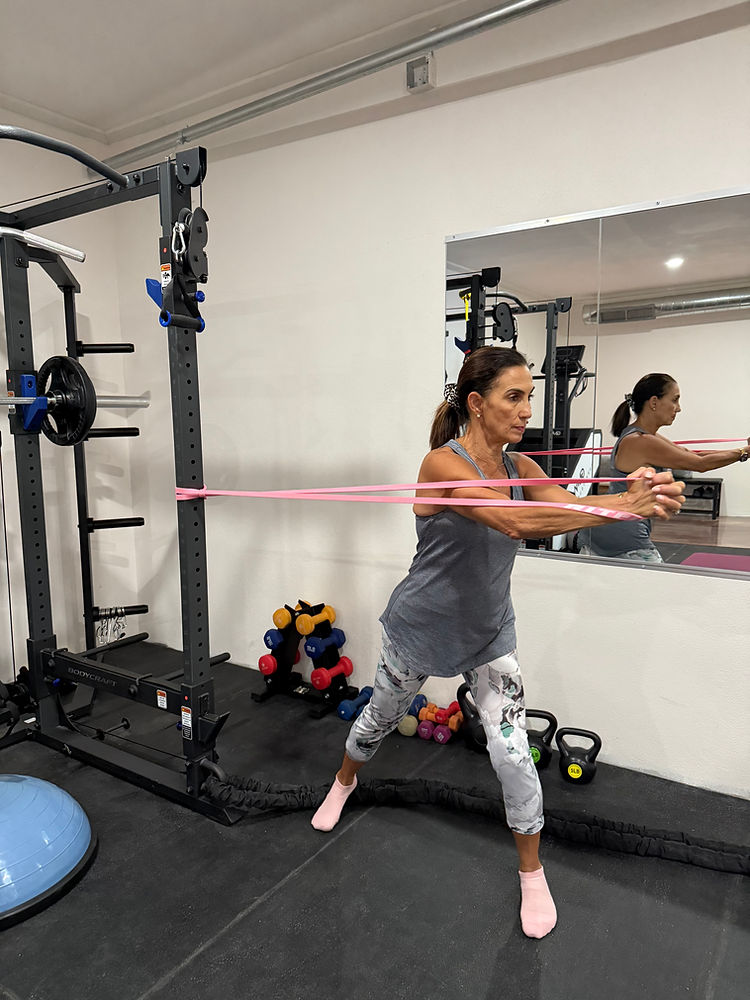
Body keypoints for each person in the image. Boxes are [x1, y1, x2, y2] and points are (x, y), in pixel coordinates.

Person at [310, 347, 684, 939]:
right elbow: (514, 521)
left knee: (513, 753)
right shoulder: (442, 464)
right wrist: (621, 506)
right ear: (477, 403)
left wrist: (632, 499)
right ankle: (344, 781)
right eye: (514, 396)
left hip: (488, 633)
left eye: (530, 396)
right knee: (376, 721)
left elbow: (571, 508)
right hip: (420, 628)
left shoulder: (522, 467)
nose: (527, 409)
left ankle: (532, 872)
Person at [580, 373, 749, 561]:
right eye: (675, 400)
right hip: (623, 533)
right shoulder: (640, 441)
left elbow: (693, 455)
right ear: (654, 402)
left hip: (609, 529)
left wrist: (743, 450)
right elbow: (700, 465)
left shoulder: (642, 435)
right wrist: (744, 452)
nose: (679, 408)